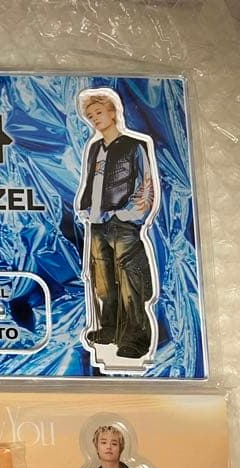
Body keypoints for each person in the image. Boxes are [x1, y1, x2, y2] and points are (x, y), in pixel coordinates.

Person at [75, 91, 158, 360]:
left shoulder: (134, 146)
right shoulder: (95, 149)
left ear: (113, 112)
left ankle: (136, 338)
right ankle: (110, 328)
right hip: (97, 222)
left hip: (123, 222)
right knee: (102, 281)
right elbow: (91, 183)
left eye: (99, 112)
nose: (95, 119)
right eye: (90, 116)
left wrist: (129, 214)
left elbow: (145, 183)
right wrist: (86, 210)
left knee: (130, 281)